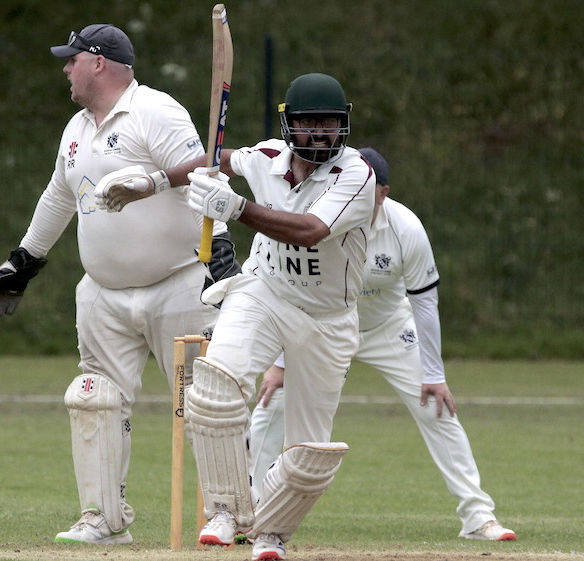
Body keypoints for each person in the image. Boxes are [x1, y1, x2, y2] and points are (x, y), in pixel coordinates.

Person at [0, 24, 240, 545]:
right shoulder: (76, 128)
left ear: (98, 62)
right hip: (103, 294)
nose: (65, 68)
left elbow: (206, 174)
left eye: (71, 59)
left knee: (209, 400)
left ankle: (227, 513)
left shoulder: (156, 112)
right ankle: (103, 518)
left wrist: (222, 251)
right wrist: (24, 260)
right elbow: (58, 198)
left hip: (180, 283)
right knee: (94, 398)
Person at [98, 72, 375, 561]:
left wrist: (236, 206)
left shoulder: (356, 174)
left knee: (308, 455)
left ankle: (270, 535)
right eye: (309, 123)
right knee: (213, 386)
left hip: (327, 318)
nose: (319, 133)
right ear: (289, 125)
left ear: (343, 124)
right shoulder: (267, 156)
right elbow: (218, 158)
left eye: (329, 123)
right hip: (264, 291)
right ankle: (226, 510)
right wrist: (154, 181)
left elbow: (310, 231)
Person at [247, 147, 517, 542]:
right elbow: (289, 290)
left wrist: (434, 374)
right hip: (320, 325)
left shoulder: (406, 228)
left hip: (387, 327)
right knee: (272, 404)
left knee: (438, 409)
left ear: (382, 193)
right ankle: (251, 510)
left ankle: (478, 517)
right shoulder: (317, 215)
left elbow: (424, 301)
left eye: (367, 187)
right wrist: (280, 362)